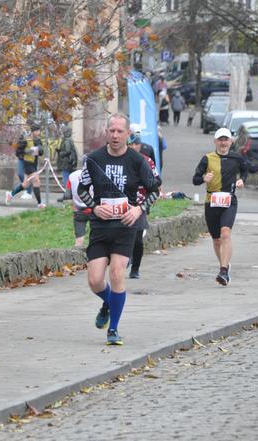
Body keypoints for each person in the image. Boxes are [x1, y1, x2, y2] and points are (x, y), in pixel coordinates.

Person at [77, 114, 161, 345]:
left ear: (127, 134)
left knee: (116, 273)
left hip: (125, 226)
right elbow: (82, 190)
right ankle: (108, 302)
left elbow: (155, 189)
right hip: (101, 227)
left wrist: (138, 210)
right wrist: (95, 208)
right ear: (107, 132)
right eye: (111, 131)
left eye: (119, 131)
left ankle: (113, 329)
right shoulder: (93, 159)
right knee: (95, 280)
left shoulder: (137, 160)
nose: (115, 135)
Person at [192, 127, 248, 286]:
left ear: (231, 142)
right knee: (216, 240)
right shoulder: (207, 158)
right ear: (215, 141)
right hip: (212, 201)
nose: (223, 143)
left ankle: (223, 271)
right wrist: (204, 178)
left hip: (229, 201)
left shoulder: (237, 158)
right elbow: (195, 180)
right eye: (220, 140)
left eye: (226, 140)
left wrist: (242, 180)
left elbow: (246, 170)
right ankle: (224, 265)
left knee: (225, 233)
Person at [127, 133, 160, 279]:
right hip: (122, 202)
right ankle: (125, 258)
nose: (134, 147)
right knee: (124, 235)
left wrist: (147, 182)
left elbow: (157, 180)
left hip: (140, 203)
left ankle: (135, 268)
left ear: (140, 146)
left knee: (138, 238)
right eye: (131, 144)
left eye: (136, 144)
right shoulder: (122, 160)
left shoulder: (147, 161)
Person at [6, 123, 45, 207]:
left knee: (25, 184)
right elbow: (18, 151)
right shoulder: (25, 139)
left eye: (39, 130)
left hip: (34, 163)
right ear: (33, 131)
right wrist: (27, 151)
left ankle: (11, 194)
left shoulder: (38, 140)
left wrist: (40, 149)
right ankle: (40, 204)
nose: (39, 132)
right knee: (36, 181)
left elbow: (41, 152)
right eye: (37, 131)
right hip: (27, 164)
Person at [66, 158, 91, 247]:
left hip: (79, 211)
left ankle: (77, 260)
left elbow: (67, 195)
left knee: (79, 240)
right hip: (95, 210)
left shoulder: (72, 175)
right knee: (96, 239)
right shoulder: (96, 174)